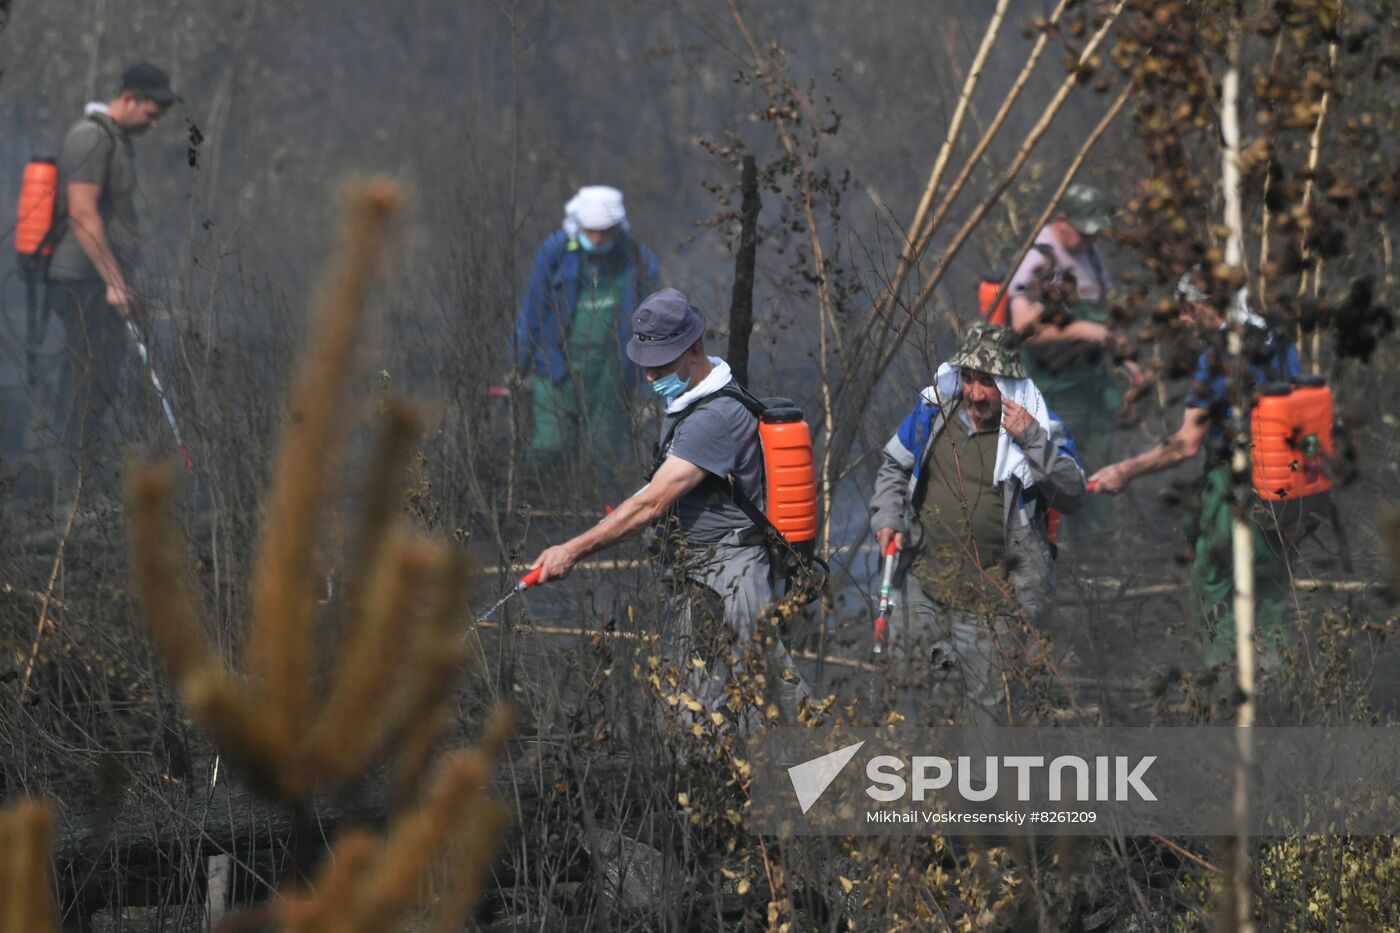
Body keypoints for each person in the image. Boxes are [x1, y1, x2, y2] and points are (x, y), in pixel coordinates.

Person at [529, 288, 809, 728]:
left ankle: (836, 786)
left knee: (771, 702)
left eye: (660, 362)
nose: (649, 375)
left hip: (732, 575)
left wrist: (572, 550)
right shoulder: (693, 398)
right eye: (645, 363)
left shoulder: (712, 418)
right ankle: (725, 790)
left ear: (694, 349)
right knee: (693, 706)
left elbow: (654, 503)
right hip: (700, 573)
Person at [869, 322, 1086, 727]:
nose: (975, 393)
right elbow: (894, 469)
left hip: (995, 603)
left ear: (1010, 381)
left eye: (987, 381)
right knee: (903, 690)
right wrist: (887, 516)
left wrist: (1031, 440)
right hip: (924, 584)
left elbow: (1073, 493)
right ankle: (905, 780)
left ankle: (979, 789)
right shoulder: (934, 411)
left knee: (987, 714)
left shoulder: (1041, 426)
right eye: (968, 378)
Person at [1088, 273, 1299, 667]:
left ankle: (1223, 687)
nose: (1183, 319)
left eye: (1188, 309)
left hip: (1236, 486)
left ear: (1210, 305)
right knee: (1270, 589)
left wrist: (1124, 469)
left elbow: (1186, 442)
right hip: (1288, 486)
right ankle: (1278, 693)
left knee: (1215, 585)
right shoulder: (1276, 338)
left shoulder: (1219, 355)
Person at [46, 62, 178, 490]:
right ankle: (70, 489)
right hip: (82, 280)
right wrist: (114, 279)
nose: (155, 121)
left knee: (102, 377)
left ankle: (81, 479)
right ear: (129, 99)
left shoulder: (115, 140)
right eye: (152, 110)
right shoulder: (90, 137)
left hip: (100, 279)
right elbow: (83, 213)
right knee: (88, 378)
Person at [512, 186, 659, 475]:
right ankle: (531, 504)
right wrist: (517, 363)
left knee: (602, 456)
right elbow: (533, 309)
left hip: (611, 375)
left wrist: (648, 388)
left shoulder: (636, 259)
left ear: (617, 228)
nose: (597, 238)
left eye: (604, 232)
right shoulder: (555, 252)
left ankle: (596, 513)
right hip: (555, 368)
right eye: (591, 231)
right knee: (548, 446)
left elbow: (653, 326)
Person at [1008, 183, 1136, 473]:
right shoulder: (1040, 257)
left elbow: (1104, 312)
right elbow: (1022, 328)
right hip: (1055, 389)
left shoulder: (1091, 253)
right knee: (1065, 469)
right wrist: (1080, 330)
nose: (1091, 238)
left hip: (1092, 384)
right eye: (1084, 231)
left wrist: (1122, 354)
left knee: (1101, 463)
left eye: (1094, 232)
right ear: (1063, 220)